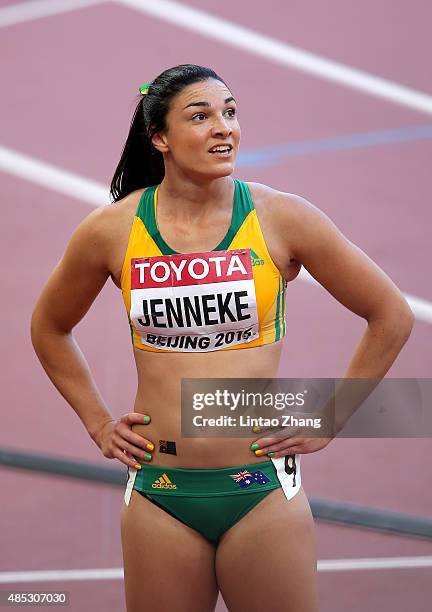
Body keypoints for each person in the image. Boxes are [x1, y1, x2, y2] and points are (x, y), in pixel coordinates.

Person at [30, 64, 414, 612]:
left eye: (230, 112)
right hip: (161, 493)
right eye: (201, 116)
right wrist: (97, 422)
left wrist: (332, 415)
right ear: (158, 137)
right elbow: (49, 327)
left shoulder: (282, 217)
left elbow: (390, 314)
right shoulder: (112, 231)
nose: (223, 128)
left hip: (259, 490)